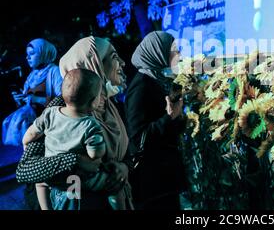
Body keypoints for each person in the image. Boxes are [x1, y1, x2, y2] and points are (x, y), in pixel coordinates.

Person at [16, 36, 132, 210]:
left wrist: (124, 167)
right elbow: (25, 169)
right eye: (114, 57)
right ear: (94, 63)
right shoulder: (63, 108)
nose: (122, 62)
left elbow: (126, 152)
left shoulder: (108, 104)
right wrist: (76, 160)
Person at [125, 31, 187, 210]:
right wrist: (168, 118)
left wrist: (177, 118)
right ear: (158, 52)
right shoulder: (141, 86)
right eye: (174, 51)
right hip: (152, 181)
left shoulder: (157, 80)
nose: (179, 55)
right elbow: (137, 137)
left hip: (164, 178)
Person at [2, 39, 63, 146]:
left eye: (32, 54)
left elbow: (63, 99)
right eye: (27, 54)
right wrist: (19, 100)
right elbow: (27, 102)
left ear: (43, 53)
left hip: (49, 124)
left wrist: (37, 99)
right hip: (32, 124)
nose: (27, 57)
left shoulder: (54, 71)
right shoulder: (32, 76)